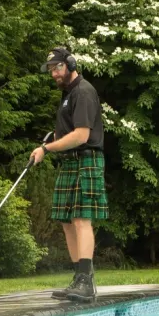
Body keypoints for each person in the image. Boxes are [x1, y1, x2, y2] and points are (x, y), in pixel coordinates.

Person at [30, 46, 108, 302]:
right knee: (66, 221)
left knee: (81, 219)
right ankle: (79, 278)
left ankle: (85, 281)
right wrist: (52, 140)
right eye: (51, 70)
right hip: (70, 162)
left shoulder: (84, 92)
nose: (53, 73)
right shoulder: (67, 95)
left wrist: (46, 148)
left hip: (86, 160)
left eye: (57, 67)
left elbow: (82, 135)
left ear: (71, 64)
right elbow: (67, 132)